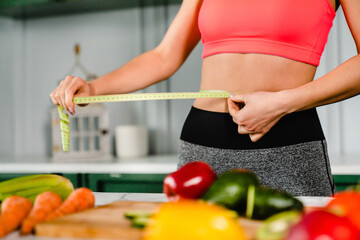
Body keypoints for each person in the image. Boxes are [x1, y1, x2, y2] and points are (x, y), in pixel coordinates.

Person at [50, 0, 360, 196]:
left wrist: (283, 103)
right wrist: (94, 88)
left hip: (288, 148)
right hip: (201, 150)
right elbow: (164, 56)